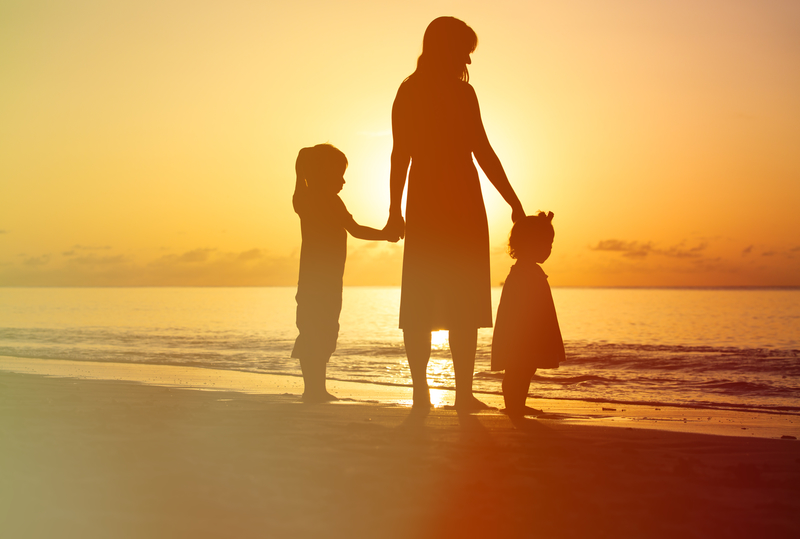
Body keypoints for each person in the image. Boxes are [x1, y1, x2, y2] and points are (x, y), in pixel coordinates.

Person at [385, 17, 526, 410]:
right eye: (465, 49)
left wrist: (513, 201)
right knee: (440, 300)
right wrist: (394, 210)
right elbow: (406, 154)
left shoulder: (420, 91)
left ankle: (434, 393)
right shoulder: (435, 93)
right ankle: (449, 394)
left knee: (432, 300)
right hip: (452, 203)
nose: (468, 58)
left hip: (440, 203)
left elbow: (477, 151)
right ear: (446, 48)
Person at [292, 144, 395, 402]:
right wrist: (386, 234)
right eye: (339, 175)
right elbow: (356, 230)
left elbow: (299, 169)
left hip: (310, 282)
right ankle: (316, 390)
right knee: (324, 330)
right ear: (323, 174)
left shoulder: (303, 199)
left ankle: (313, 389)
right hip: (326, 283)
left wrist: (302, 163)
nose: (344, 181)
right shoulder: (329, 201)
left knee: (310, 330)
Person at [491, 212, 565, 416]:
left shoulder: (529, 271)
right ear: (530, 244)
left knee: (526, 367)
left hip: (529, 331)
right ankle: (513, 405)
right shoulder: (523, 273)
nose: (549, 249)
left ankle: (517, 404)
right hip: (521, 333)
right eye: (546, 244)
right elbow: (518, 308)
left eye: (550, 244)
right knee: (518, 368)